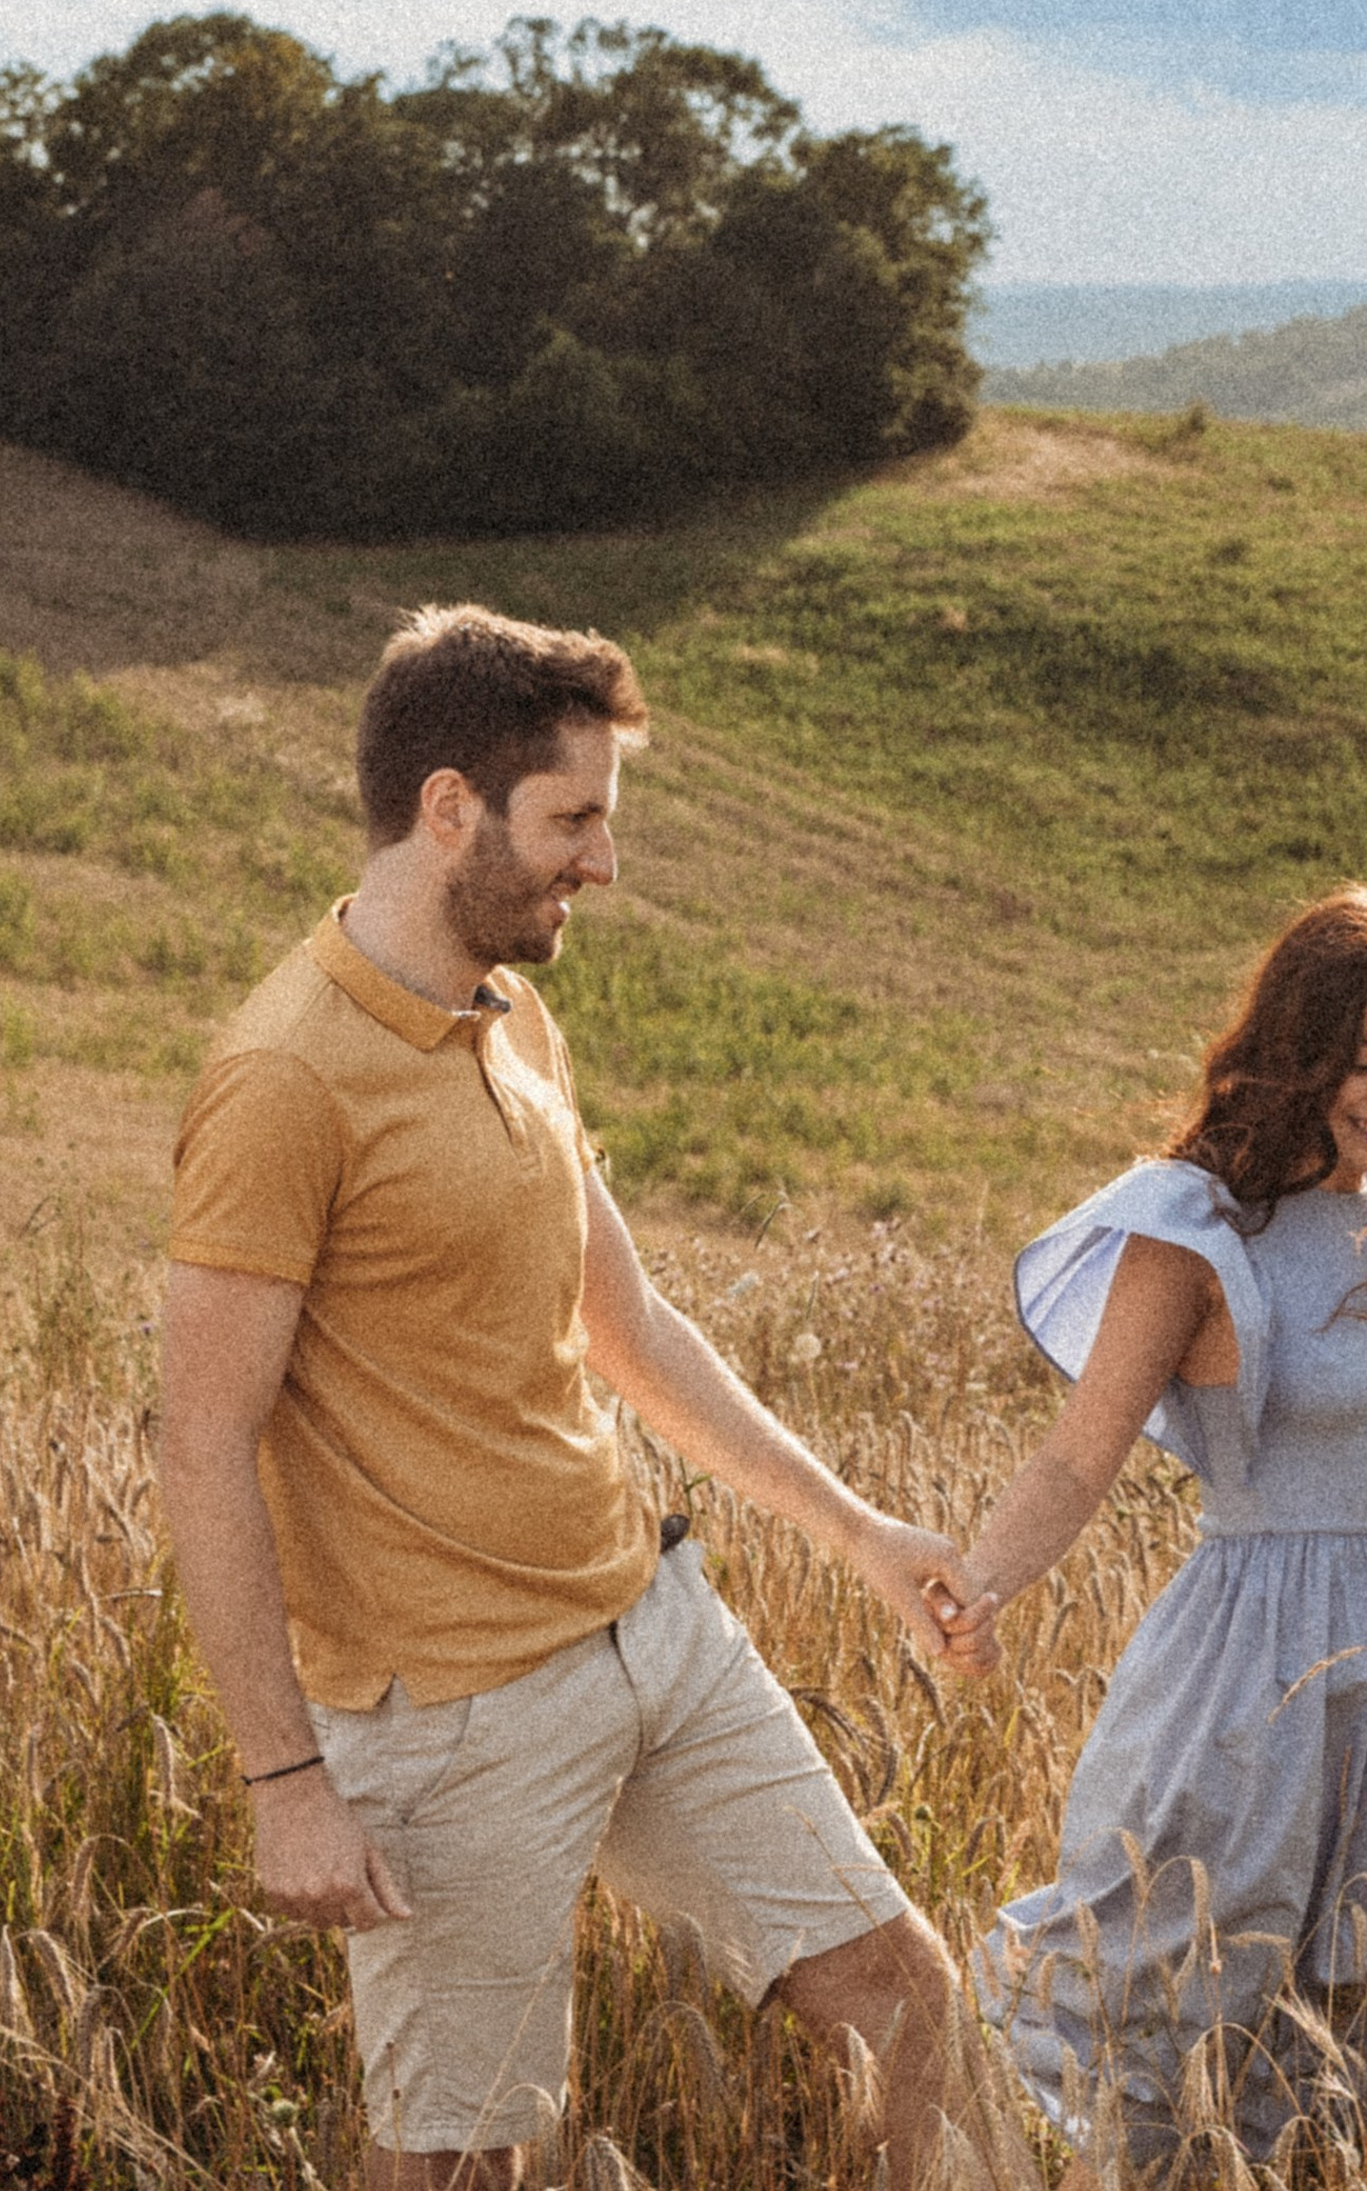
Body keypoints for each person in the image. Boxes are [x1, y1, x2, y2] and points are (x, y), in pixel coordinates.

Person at [157, 604, 1030, 2191]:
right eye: (572, 822)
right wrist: (287, 1785)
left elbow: (626, 1324)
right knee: (464, 2161)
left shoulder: (511, 1013)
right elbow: (203, 1442)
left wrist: (854, 1528)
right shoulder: (283, 1080)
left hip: (652, 1628)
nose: (602, 866)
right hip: (451, 1714)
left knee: (906, 2000)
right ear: (447, 809)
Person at [958, 886, 1367, 2182]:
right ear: (1301, 1048)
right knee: (1173, 1975)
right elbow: (1075, 1459)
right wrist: (975, 1584)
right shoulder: (1200, 1231)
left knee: (1357, 2021)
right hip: (1246, 1668)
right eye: (1366, 1060)